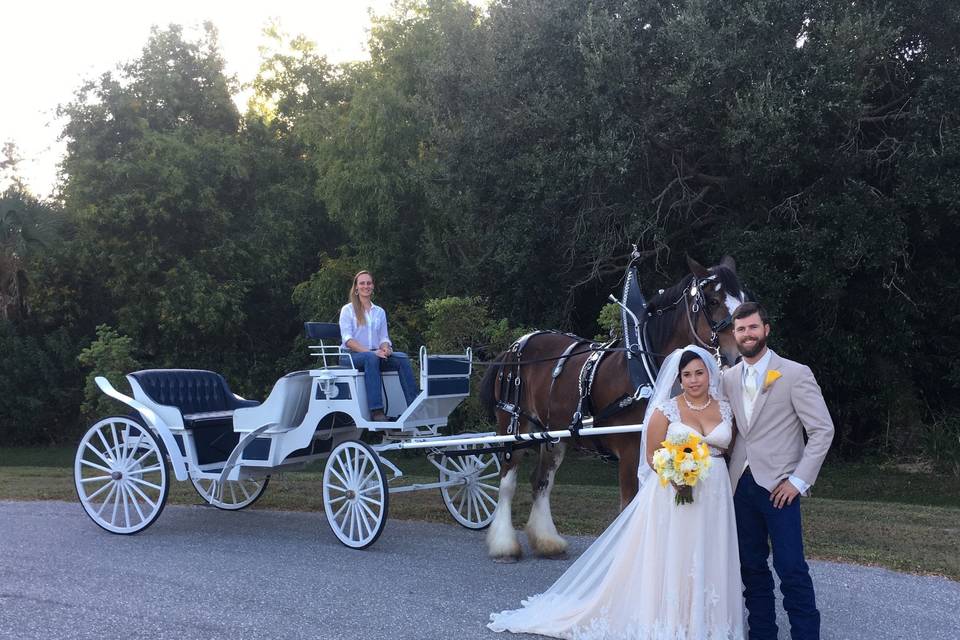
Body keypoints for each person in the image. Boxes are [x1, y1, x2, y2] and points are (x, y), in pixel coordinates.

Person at [488, 345, 745, 640]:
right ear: (679, 379)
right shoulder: (666, 410)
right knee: (679, 553)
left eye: (699, 373)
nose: (694, 380)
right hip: (676, 493)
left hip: (715, 495)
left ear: (710, 374)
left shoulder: (725, 409)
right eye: (687, 375)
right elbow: (651, 456)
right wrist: (676, 474)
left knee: (711, 552)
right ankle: (674, 621)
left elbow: (729, 447)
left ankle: (709, 622)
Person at [722, 302, 834, 640]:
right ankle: (762, 633)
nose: (747, 334)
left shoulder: (795, 373)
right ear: (734, 334)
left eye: (753, 327)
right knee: (752, 568)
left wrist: (798, 481)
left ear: (766, 329)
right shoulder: (727, 378)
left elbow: (822, 430)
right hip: (740, 486)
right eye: (741, 329)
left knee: (791, 569)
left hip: (780, 489)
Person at [338, 270, 419, 421]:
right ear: (356, 288)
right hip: (350, 356)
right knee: (371, 358)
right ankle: (377, 412)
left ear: (373, 286)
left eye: (368, 283)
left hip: (374, 355)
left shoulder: (379, 312)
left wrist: (386, 348)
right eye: (362, 283)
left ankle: (414, 405)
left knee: (401, 358)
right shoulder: (347, 310)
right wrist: (372, 352)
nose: (366, 286)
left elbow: (383, 337)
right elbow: (348, 340)